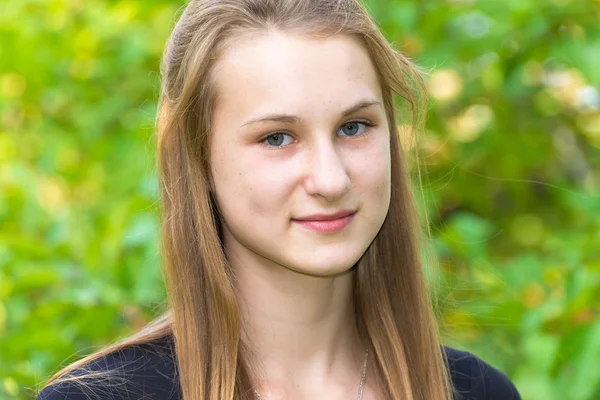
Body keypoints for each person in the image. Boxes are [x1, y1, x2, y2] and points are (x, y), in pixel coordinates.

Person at [36, 0, 521, 399]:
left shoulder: (478, 392)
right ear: (198, 161)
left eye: (354, 127)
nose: (331, 181)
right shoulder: (99, 397)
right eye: (277, 138)